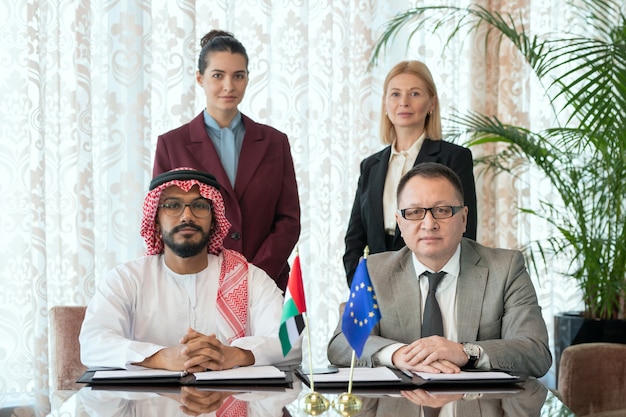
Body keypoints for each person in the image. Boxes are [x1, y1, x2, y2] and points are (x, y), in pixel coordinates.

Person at [328, 162, 551, 378]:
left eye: (442, 210)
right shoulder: (374, 271)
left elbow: (535, 352)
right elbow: (342, 344)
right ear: (399, 222)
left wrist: (466, 352)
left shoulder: (505, 269)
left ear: (464, 218)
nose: (429, 223)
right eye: (414, 212)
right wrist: (396, 354)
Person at [80, 168, 301, 372]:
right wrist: (160, 357)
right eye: (173, 205)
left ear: (214, 221)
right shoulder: (127, 278)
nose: (187, 216)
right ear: (156, 221)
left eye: (199, 206)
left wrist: (234, 355)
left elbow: (291, 340)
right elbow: (93, 342)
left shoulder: (249, 278)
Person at [152, 30, 300, 292]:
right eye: (218, 75)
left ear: (247, 79)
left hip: (265, 282)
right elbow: (164, 217)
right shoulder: (172, 144)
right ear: (200, 78)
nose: (229, 86)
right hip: (196, 284)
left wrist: (254, 275)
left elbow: (288, 219)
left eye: (238, 76)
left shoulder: (275, 143)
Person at [343, 60, 477, 286]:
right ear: (385, 104)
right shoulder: (370, 166)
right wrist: (359, 286)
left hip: (432, 280)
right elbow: (355, 238)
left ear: (431, 103)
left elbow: (465, 231)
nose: (403, 102)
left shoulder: (454, 158)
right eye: (395, 94)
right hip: (377, 283)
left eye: (414, 93)